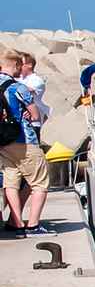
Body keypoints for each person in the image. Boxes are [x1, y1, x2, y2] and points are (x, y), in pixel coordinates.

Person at [0, 51, 48, 236]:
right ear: (17, 66)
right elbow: (35, 116)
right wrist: (29, 114)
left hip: (3, 143)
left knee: (11, 184)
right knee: (39, 183)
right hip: (24, 140)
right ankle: (34, 224)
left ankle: (16, 223)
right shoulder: (18, 88)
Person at [18, 54, 49, 135]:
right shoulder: (18, 78)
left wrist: (9, 82)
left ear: (29, 65)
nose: (18, 65)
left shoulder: (37, 80)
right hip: (17, 122)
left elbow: (26, 91)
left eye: (21, 63)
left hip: (33, 123)